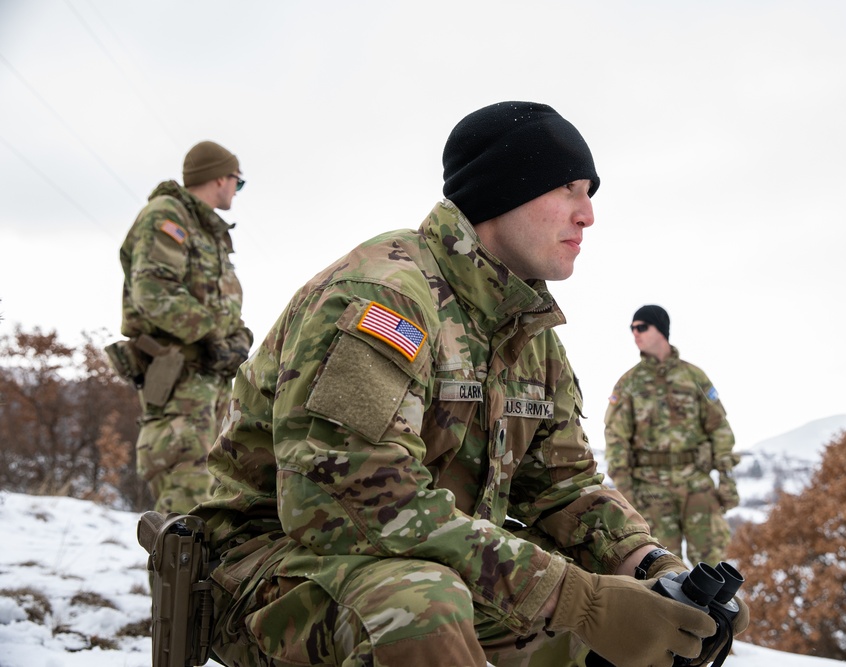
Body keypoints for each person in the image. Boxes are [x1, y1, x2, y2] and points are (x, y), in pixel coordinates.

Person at [191, 102, 747, 667]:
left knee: (634, 616)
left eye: (591, 194)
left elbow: (564, 486)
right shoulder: (387, 296)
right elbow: (347, 502)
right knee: (424, 609)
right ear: (503, 191)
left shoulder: (526, 332)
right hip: (273, 568)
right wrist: (582, 601)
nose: (588, 215)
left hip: (427, 562)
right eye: (570, 189)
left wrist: (655, 570)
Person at [117, 140, 252, 515]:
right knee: (183, 506)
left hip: (209, 383)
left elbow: (221, 303)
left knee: (210, 507)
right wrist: (211, 335)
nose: (235, 191)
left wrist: (239, 340)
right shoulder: (167, 216)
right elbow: (154, 292)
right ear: (221, 178)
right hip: (177, 379)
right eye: (237, 183)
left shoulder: (207, 232)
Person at [604, 305, 740, 567]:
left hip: (697, 487)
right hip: (651, 493)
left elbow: (719, 428)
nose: (635, 333)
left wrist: (727, 479)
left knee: (714, 566)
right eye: (632, 329)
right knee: (663, 569)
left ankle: (713, 611)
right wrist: (627, 494)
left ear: (661, 329)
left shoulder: (693, 377)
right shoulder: (629, 383)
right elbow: (615, 439)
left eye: (642, 327)